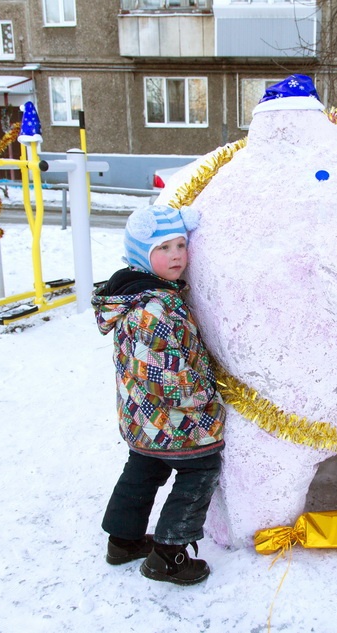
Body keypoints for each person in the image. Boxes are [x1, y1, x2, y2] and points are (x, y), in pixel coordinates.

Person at [92, 204, 226, 586]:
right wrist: (207, 393)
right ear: (141, 253)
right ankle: (169, 555)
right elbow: (163, 379)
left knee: (144, 468)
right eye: (164, 247)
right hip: (174, 421)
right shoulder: (152, 308)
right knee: (199, 470)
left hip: (143, 420)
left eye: (181, 245)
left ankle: (123, 540)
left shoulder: (139, 295)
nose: (177, 255)